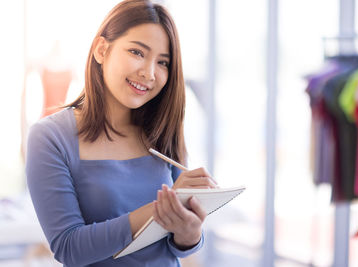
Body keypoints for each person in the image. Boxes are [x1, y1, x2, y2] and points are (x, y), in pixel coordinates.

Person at [25, 0, 216, 266]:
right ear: (102, 50)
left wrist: (190, 232)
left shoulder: (162, 129)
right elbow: (69, 248)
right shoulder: (50, 137)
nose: (148, 73)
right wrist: (162, 209)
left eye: (162, 62)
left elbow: (180, 247)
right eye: (137, 52)